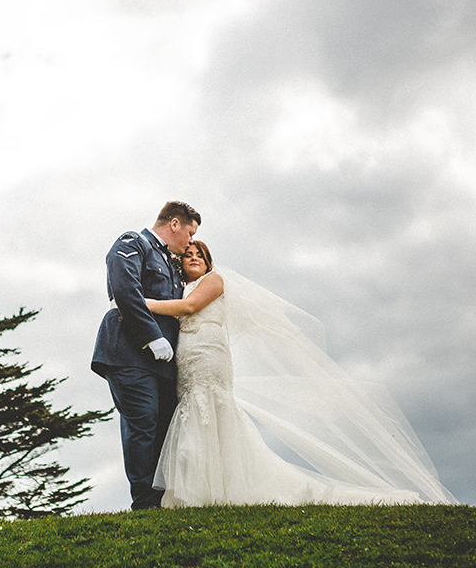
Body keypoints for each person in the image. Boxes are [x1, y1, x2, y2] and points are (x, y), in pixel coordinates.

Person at [146, 241, 456, 507]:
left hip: (210, 355)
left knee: (212, 408)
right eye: (188, 254)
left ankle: (218, 488)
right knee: (192, 409)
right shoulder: (179, 287)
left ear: (208, 260)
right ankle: (200, 486)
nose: (195, 256)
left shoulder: (215, 280)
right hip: (187, 355)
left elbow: (188, 308)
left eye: (200, 252)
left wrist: (142, 303)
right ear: (180, 263)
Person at [91, 201, 201, 509]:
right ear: (175, 225)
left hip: (164, 362)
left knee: (165, 425)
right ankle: (145, 501)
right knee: (144, 421)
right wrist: (152, 336)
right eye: (189, 233)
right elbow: (125, 290)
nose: (190, 242)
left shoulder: (172, 263)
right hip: (129, 351)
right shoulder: (132, 243)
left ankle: (163, 498)